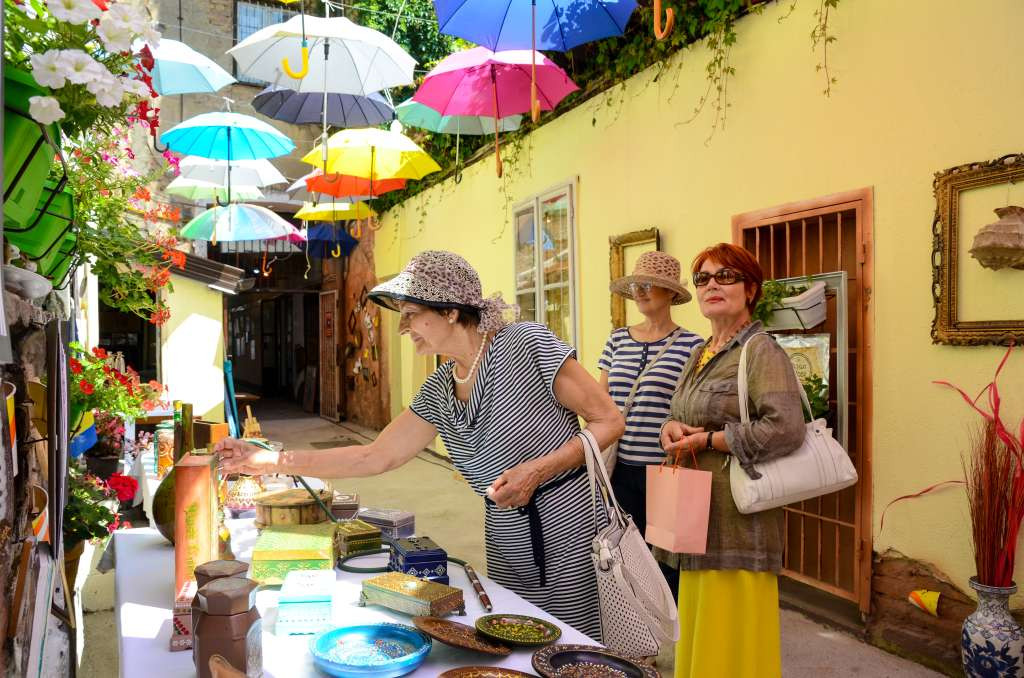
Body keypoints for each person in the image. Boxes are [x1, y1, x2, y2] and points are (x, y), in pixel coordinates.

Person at [216, 250, 624, 640]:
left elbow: (609, 420)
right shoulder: (440, 389)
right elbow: (373, 455)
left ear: (450, 310)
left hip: (570, 530)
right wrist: (270, 461)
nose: (402, 328)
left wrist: (537, 470)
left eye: (411, 315)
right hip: (505, 534)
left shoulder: (525, 345)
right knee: (519, 632)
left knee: (572, 645)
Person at [659, 243, 805, 678]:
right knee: (701, 637)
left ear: (751, 289)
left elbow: (785, 428)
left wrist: (710, 439)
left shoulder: (760, 351)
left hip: (737, 526)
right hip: (695, 519)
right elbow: (684, 412)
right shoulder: (700, 352)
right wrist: (671, 427)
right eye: (703, 278)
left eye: (725, 276)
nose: (711, 286)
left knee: (731, 648)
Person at [598, 251, 702, 597]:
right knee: (625, 555)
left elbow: (693, 407)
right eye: (637, 285)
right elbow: (601, 400)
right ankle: (636, 636)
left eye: (650, 286)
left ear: (671, 293)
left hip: (669, 469)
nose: (640, 292)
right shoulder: (617, 339)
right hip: (620, 468)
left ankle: (669, 641)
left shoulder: (693, 346)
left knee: (669, 563)